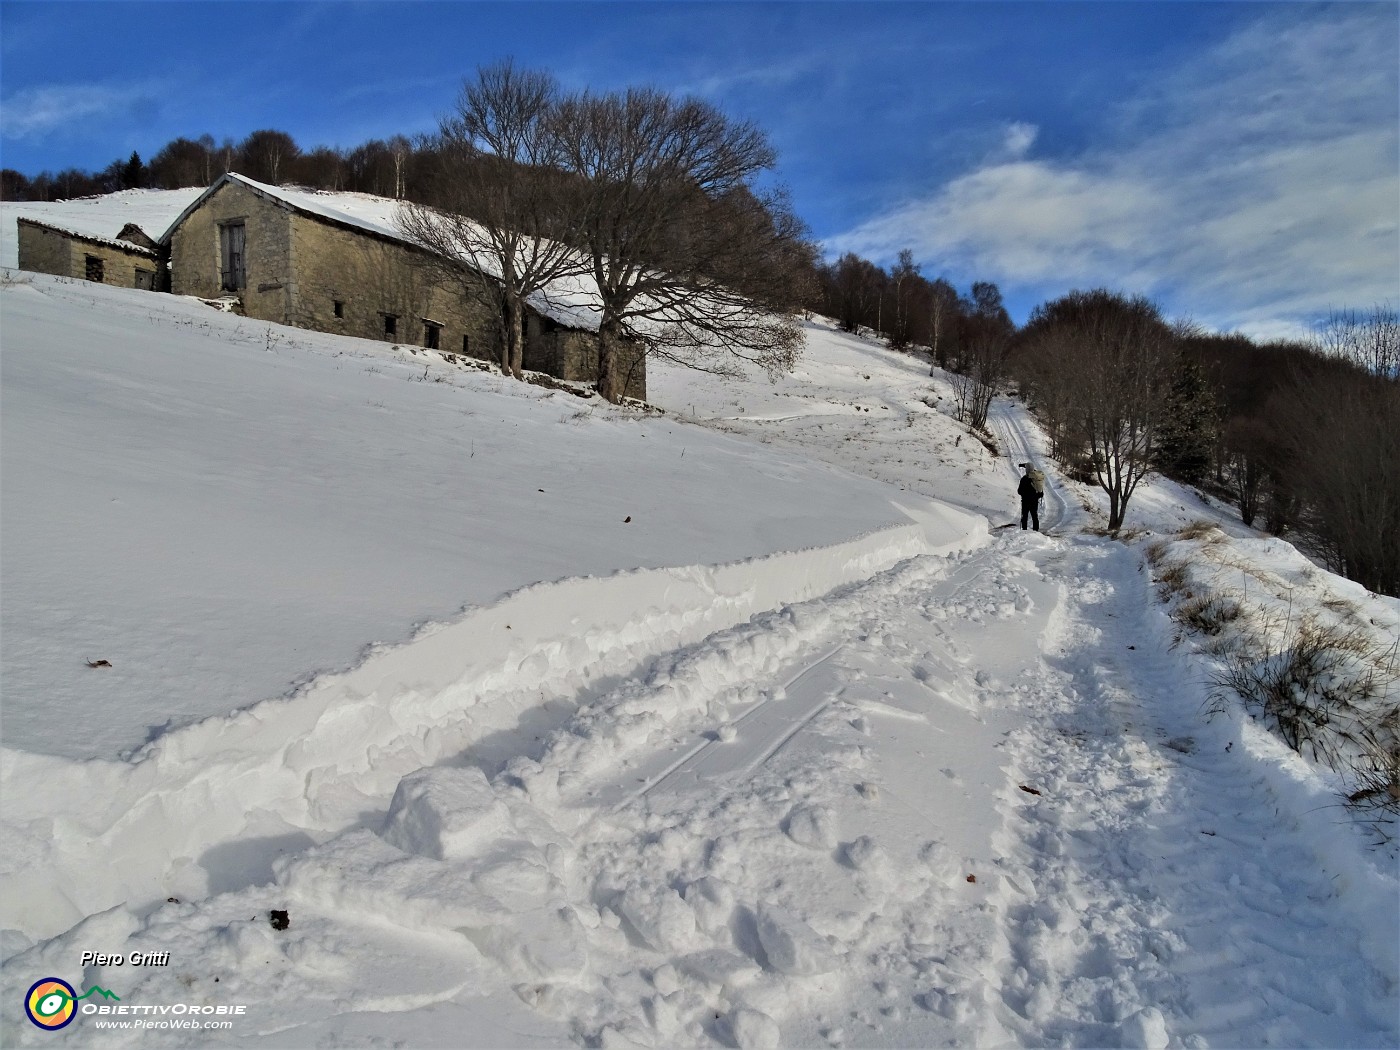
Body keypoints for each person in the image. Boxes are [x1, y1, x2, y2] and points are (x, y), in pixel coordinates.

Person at [1017, 463, 1042, 531]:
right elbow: (1041, 493)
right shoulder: (1037, 479)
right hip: (1034, 501)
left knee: (1024, 516)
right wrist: (1036, 496)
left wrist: (1024, 494)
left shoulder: (1024, 479)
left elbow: (1019, 491)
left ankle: (1024, 530)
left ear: (1027, 470)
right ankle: (1036, 531)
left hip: (1025, 501)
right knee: (1034, 516)